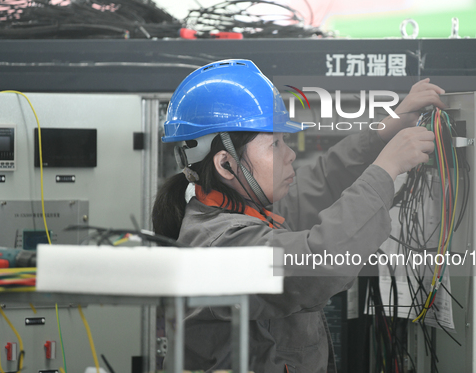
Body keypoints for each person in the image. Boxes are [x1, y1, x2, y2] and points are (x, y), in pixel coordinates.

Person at [152, 59, 444, 373]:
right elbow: (322, 260)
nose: (290, 154)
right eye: (275, 144)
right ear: (226, 164)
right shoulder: (225, 244)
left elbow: (322, 182)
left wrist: (383, 134)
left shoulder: (236, 208)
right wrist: (386, 170)